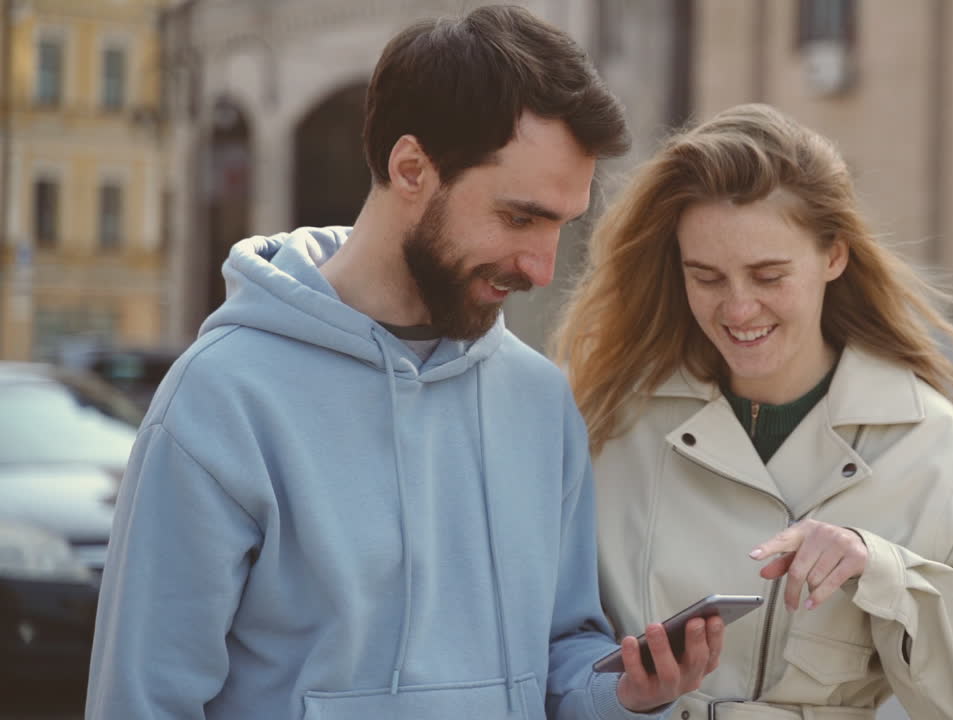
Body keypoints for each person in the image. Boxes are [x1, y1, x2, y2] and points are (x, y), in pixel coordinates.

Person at [86, 7, 723, 719]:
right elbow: (143, 699)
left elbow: (559, 653)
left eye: (561, 225)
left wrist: (626, 695)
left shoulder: (541, 403)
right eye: (520, 218)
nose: (543, 269)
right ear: (411, 168)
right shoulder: (222, 399)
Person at [552, 104, 953, 720]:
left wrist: (884, 572)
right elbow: (549, 645)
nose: (739, 310)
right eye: (706, 277)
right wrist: (621, 696)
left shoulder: (928, 445)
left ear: (834, 256)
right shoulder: (609, 418)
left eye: (769, 275)